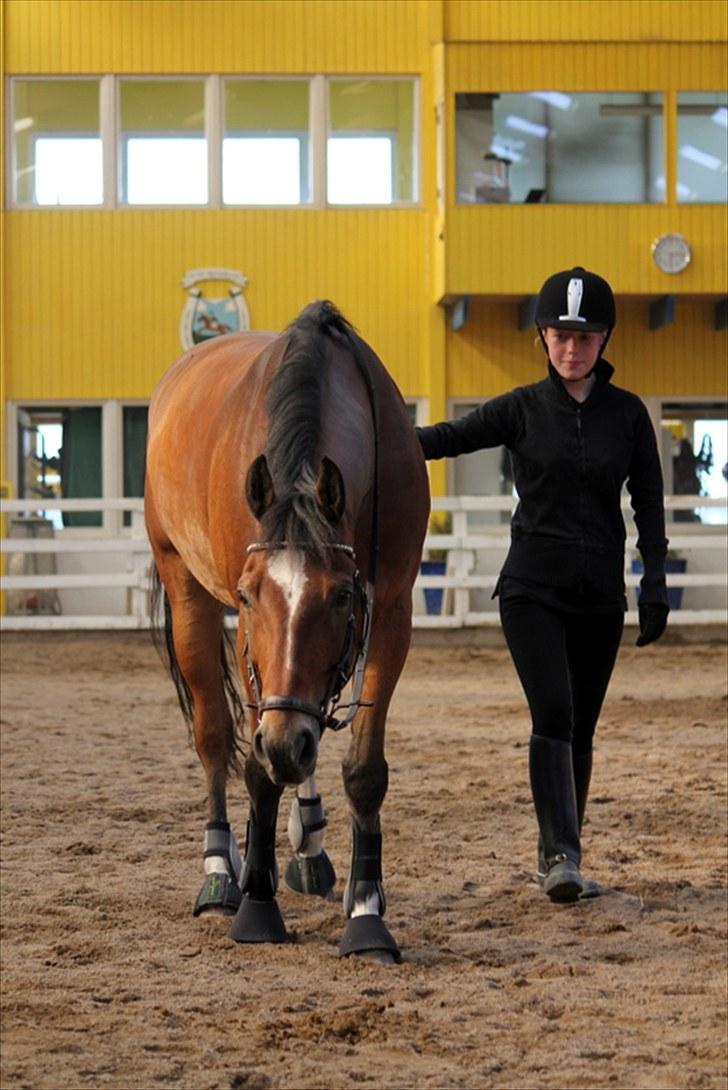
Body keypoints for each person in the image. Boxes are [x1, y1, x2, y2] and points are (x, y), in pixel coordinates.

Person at [416, 267, 669, 903]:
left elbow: (649, 502)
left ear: (605, 339)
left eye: (584, 338)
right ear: (543, 337)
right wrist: (386, 438)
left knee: (580, 727)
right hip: (532, 589)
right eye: (560, 336)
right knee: (553, 712)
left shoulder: (629, 416)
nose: (571, 349)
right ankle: (560, 854)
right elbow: (450, 437)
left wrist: (655, 582)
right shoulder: (521, 409)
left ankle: (563, 852)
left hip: (600, 597)